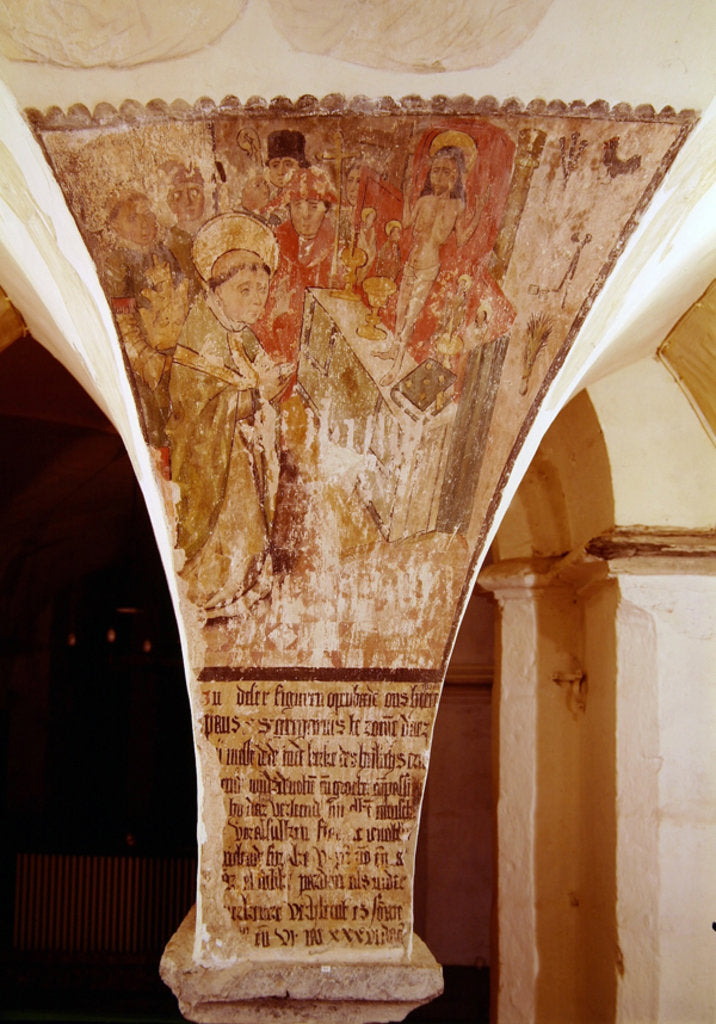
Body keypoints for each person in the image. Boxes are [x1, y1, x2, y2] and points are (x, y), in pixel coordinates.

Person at [166, 213, 290, 614]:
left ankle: (249, 579)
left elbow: (260, 371)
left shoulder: (242, 330)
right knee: (237, 539)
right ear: (217, 291)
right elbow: (200, 415)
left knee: (252, 535)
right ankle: (217, 592)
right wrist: (257, 396)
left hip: (242, 457)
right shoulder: (200, 334)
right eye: (245, 289)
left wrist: (272, 381)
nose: (257, 299)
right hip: (213, 465)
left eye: (263, 289)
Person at [379, 134, 487, 384]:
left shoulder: (457, 207)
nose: (440, 176)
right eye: (436, 171)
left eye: (447, 172)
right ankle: (392, 350)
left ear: (456, 177)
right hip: (411, 262)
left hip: (428, 266)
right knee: (400, 309)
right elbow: (406, 223)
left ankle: (396, 367)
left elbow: (460, 239)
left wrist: (479, 214)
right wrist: (407, 195)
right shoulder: (424, 201)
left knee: (411, 316)